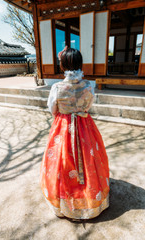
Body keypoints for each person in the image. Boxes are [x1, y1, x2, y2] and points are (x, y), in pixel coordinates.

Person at [40, 47, 110, 220]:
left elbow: (52, 109)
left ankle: (65, 201)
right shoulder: (88, 85)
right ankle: (90, 196)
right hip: (85, 125)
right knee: (89, 159)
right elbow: (89, 105)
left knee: (63, 161)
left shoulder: (57, 87)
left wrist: (64, 114)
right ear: (80, 64)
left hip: (63, 126)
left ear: (63, 65)